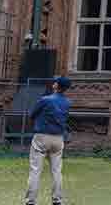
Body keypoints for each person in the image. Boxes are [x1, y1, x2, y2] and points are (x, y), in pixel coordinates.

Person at [25, 75, 72, 205]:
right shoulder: (68, 103)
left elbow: (32, 114)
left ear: (56, 86)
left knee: (35, 170)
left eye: (56, 81)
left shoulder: (45, 100)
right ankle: (57, 200)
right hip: (58, 138)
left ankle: (31, 201)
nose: (54, 82)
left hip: (42, 136)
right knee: (57, 171)